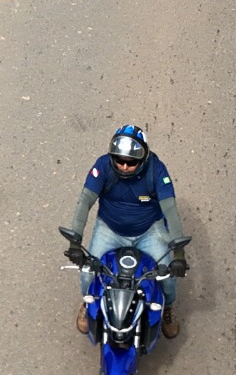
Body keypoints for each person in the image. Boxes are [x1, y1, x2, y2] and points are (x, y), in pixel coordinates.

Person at [65, 125, 188, 338]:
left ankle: (167, 308)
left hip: (149, 230)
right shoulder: (103, 166)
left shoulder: (157, 170)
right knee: (87, 274)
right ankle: (88, 304)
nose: (123, 166)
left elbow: (170, 210)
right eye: (119, 160)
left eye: (131, 163)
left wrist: (178, 254)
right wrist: (75, 242)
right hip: (109, 229)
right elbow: (85, 201)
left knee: (167, 276)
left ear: (143, 159)